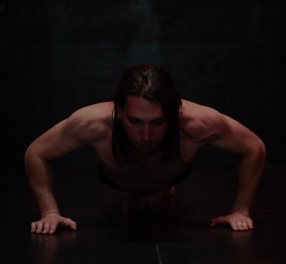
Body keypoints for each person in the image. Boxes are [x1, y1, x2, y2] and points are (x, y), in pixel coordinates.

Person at [25, 64, 265, 235]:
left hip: (172, 171)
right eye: (135, 122)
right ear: (119, 110)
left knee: (165, 179)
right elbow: (36, 152)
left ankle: (166, 186)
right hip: (118, 178)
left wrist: (241, 211)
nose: (146, 136)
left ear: (172, 112)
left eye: (157, 122)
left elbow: (254, 147)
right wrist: (49, 213)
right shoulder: (91, 123)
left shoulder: (200, 123)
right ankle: (136, 188)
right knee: (132, 181)